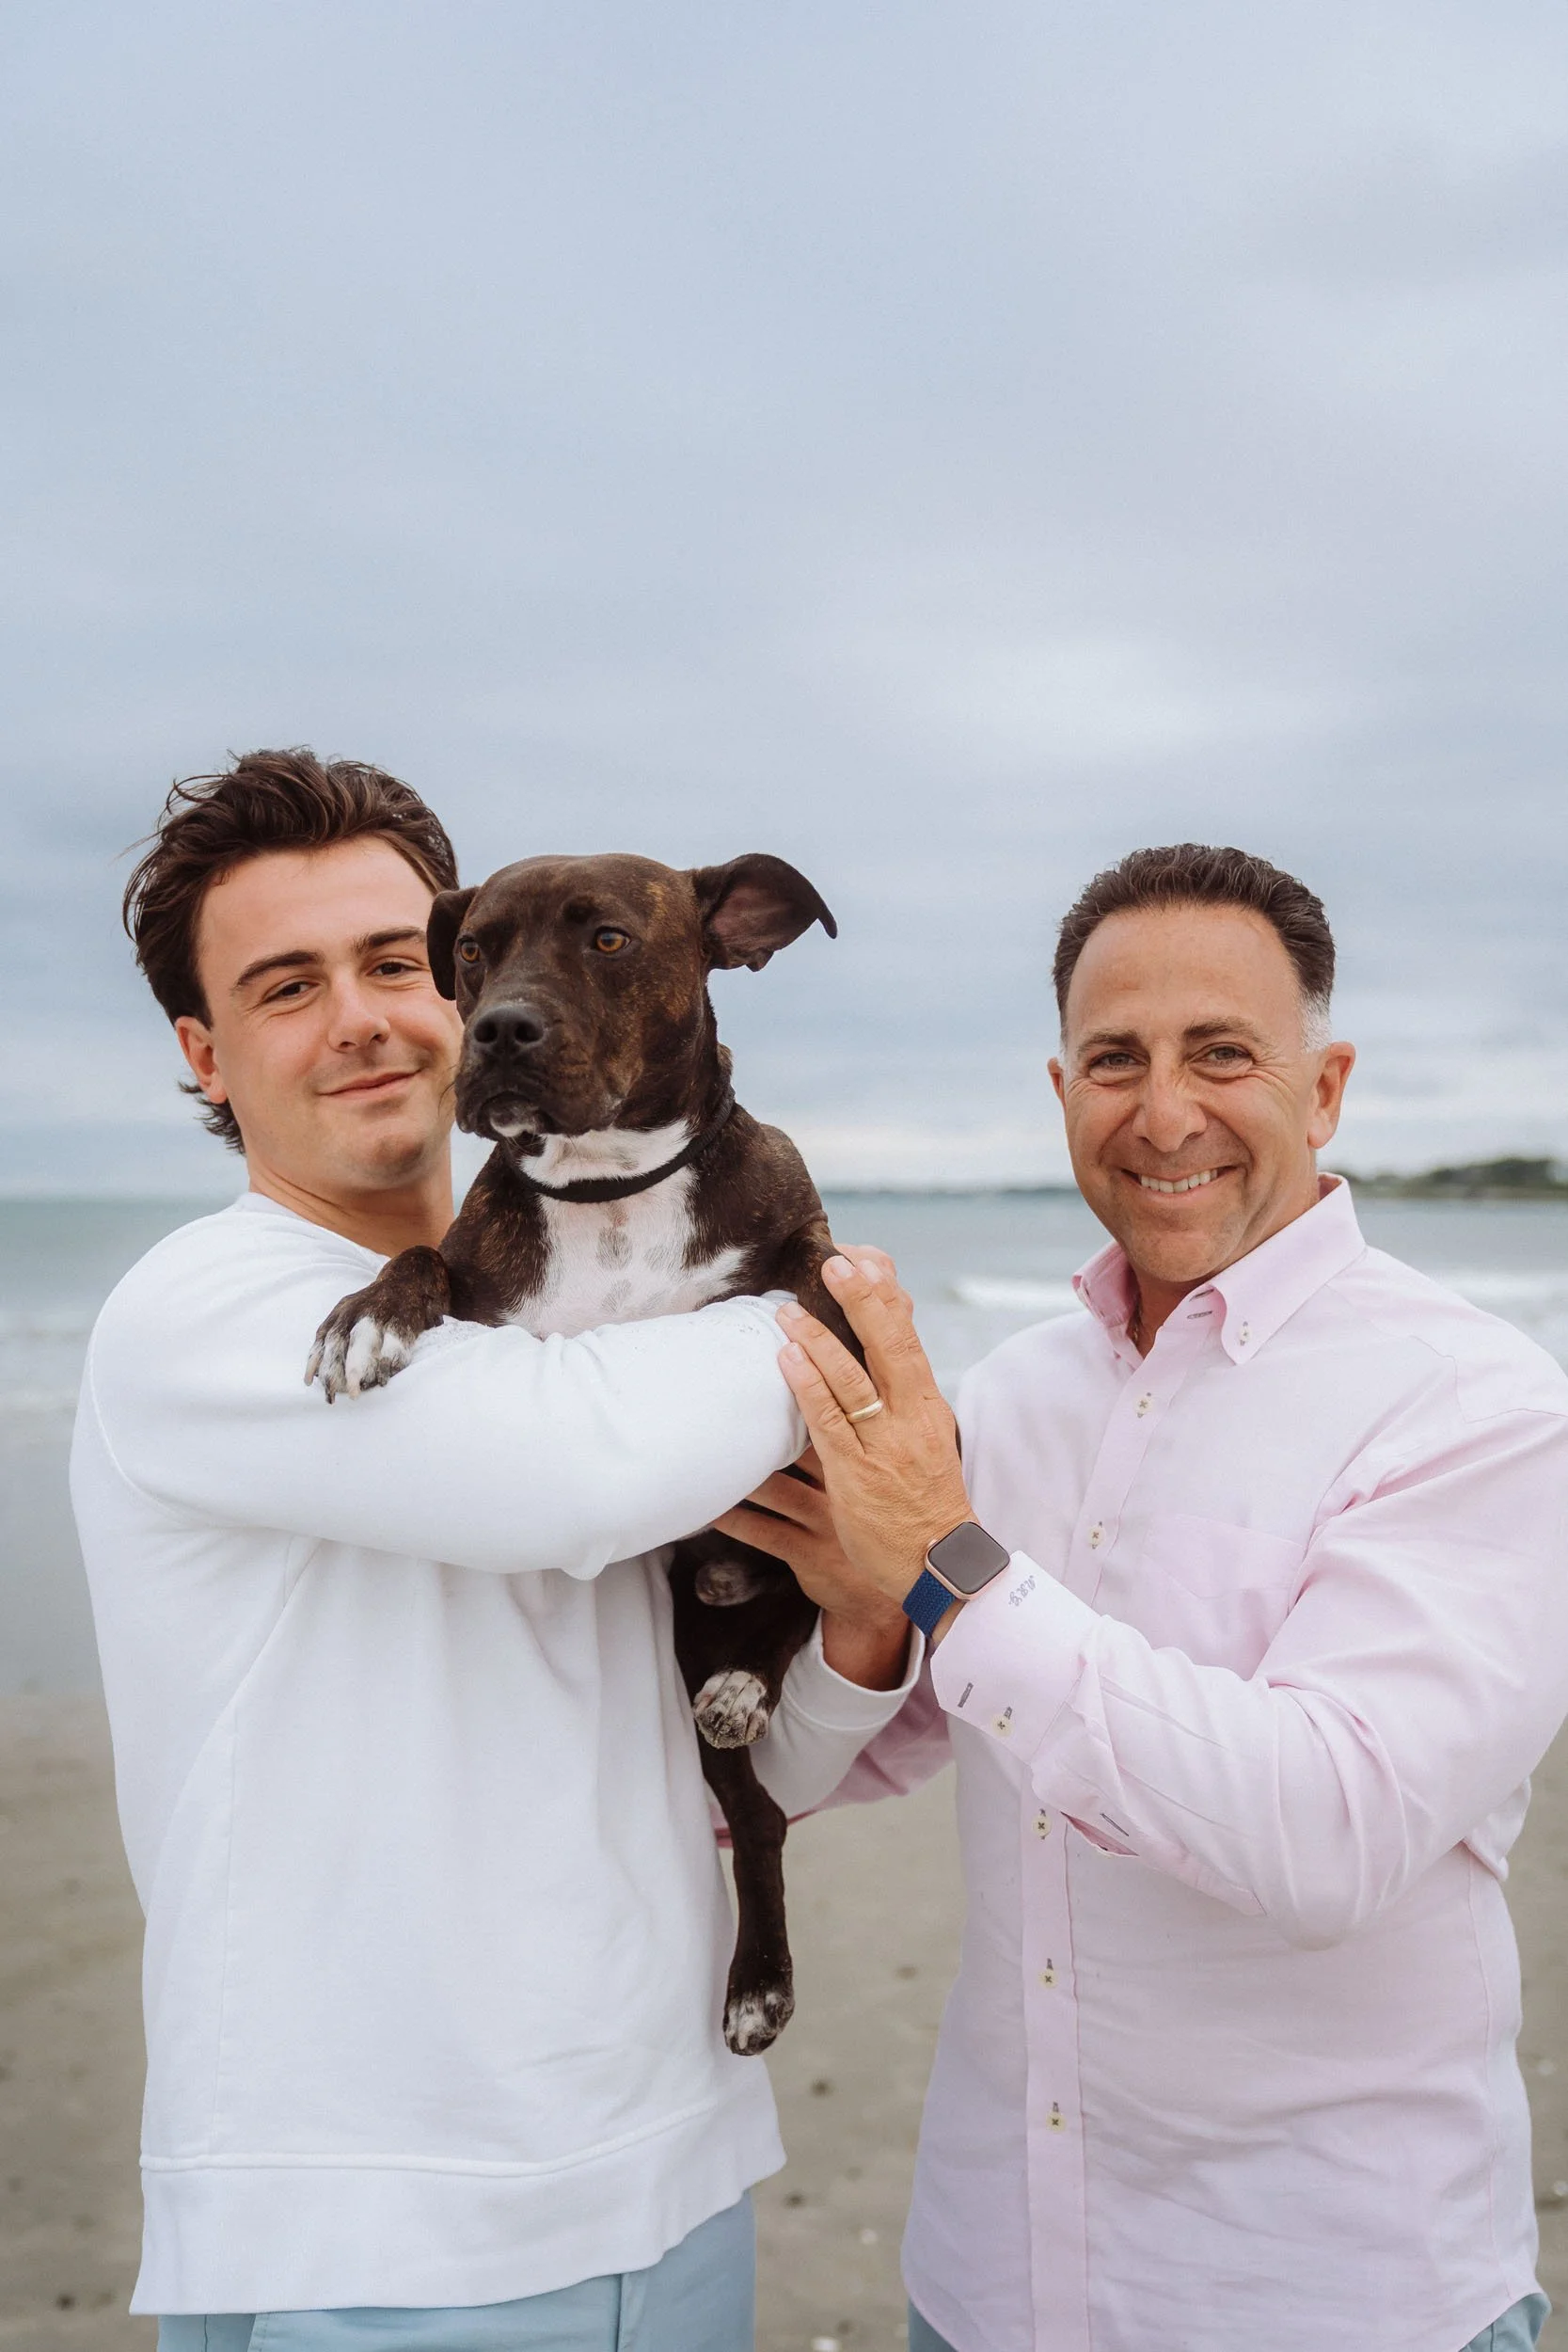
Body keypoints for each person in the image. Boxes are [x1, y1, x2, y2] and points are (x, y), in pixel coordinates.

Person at [71, 748, 915, 2351]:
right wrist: (851, 1325)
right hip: (392, 2227)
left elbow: (752, 1771)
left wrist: (866, 1627)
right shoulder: (203, 1312)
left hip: (671, 2167)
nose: (371, 1017)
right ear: (204, 1053)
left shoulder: (569, 1322)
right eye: (285, 985)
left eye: (399, 963)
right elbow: (577, 1471)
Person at [723, 844, 1568, 2352]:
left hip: (1329, 2301)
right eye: (1114, 1060)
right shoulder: (1014, 1392)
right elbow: (832, 1769)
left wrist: (945, 1564)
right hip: (985, 2287)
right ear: (1061, 1097)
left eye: (1221, 1053)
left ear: (1323, 1088)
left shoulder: (1479, 1409)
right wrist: (862, 1620)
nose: (1163, 1112)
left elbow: (1324, 1833)